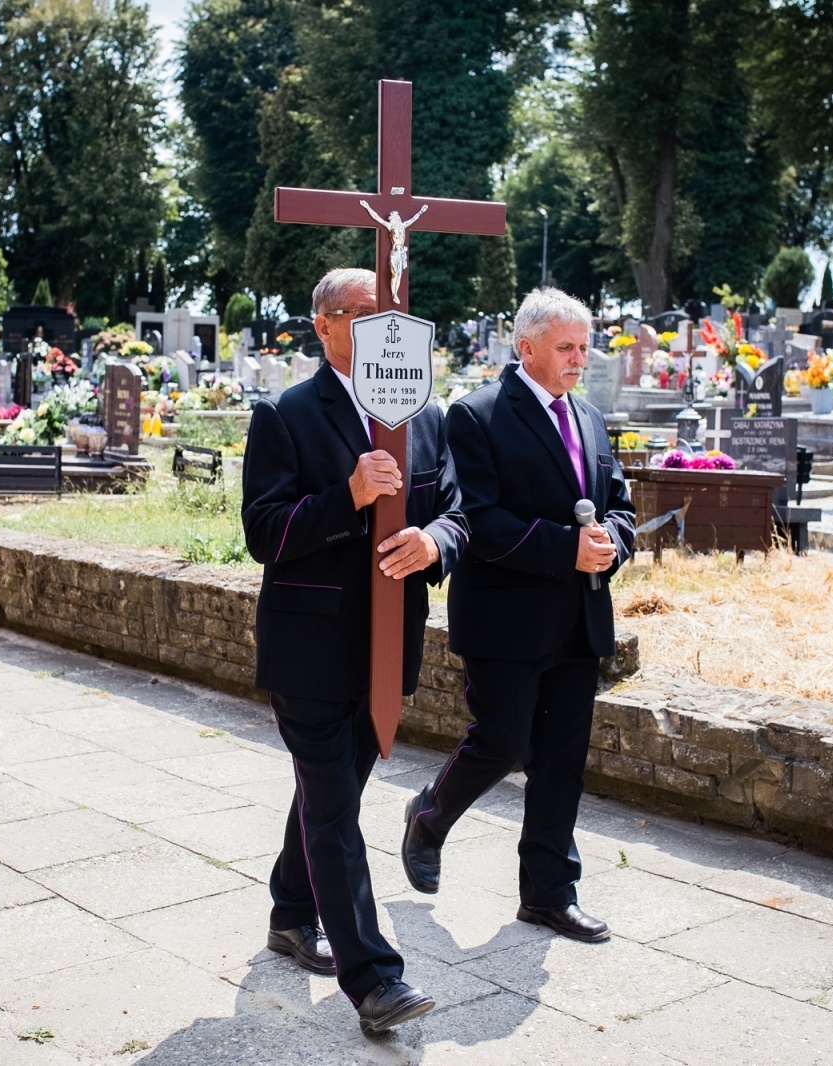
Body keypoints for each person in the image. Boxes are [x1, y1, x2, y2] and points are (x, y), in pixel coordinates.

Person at [241, 267, 466, 1036]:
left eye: (391, 310)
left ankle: (289, 910)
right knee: (335, 806)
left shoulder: (425, 414)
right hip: (310, 648)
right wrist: (348, 496)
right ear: (326, 326)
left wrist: (434, 542)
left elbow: (459, 512)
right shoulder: (286, 414)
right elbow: (264, 532)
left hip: (388, 648)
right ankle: (375, 980)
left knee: (328, 795)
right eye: (366, 312)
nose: (383, 325)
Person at [400, 287, 635, 943]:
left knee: (562, 758)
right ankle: (430, 816)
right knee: (502, 743)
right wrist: (566, 548)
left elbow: (619, 504)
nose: (578, 359)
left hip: (579, 616)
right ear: (526, 347)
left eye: (584, 347)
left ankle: (549, 894)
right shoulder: (477, 415)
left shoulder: (590, 417)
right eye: (566, 347)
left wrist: (613, 542)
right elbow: (476, 519)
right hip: (506, 617)